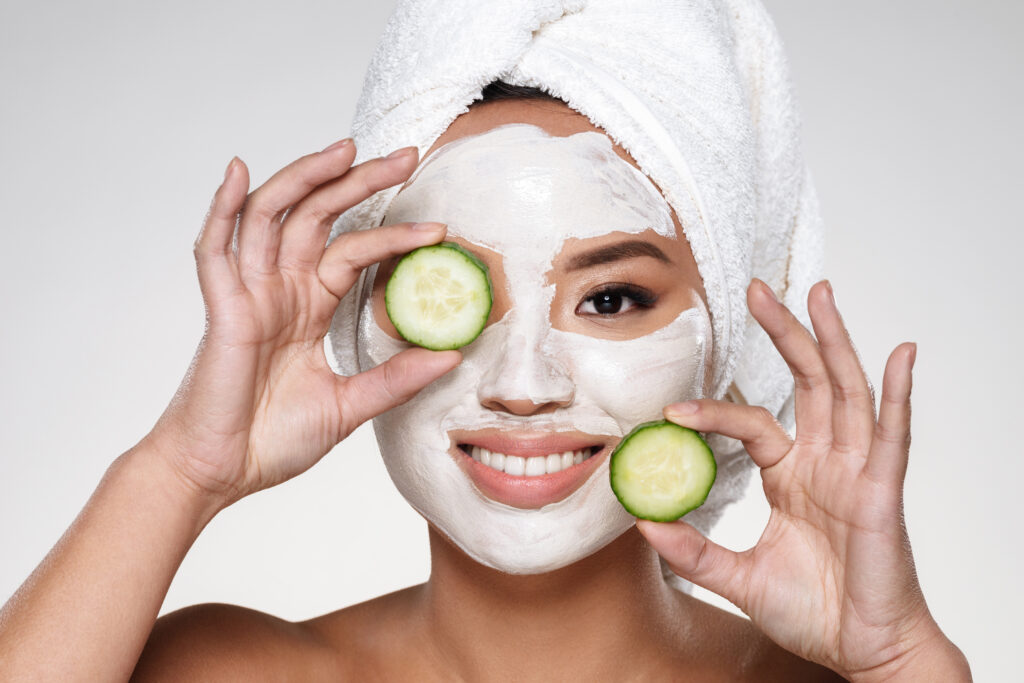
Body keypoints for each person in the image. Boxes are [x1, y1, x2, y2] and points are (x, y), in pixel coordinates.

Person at [0, 1, 972, 681]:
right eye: (458, 295)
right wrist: (181, 466)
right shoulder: (226, 671)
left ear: (725, 341)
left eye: (612, 297)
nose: (522, 383)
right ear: (360, 318)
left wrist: (905, 665)